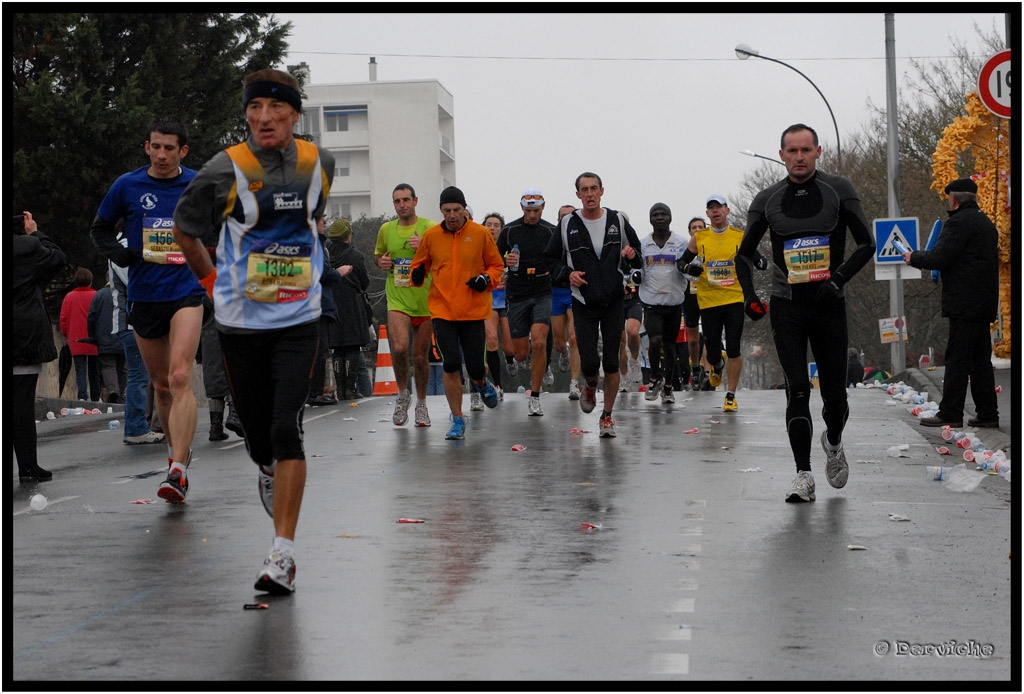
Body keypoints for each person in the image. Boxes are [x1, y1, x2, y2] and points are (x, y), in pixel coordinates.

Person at [174, 67, 335, 594]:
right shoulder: (226, 168)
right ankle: (267, 468)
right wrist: (212, 279)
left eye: (276, 109)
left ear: (294, 114)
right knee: (260, 437)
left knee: (288, 429)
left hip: (299, 320)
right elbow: (185, 227)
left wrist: (307, 258)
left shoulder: (320, 163)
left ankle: (282, 556)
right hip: (239, 323)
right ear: (246, 114)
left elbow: (316, 220)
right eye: (254, 109)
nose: (264, 118)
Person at [736, 123, 875, 503]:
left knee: (834, 397)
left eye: (805, 150)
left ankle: (832, 441)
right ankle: (803, 475)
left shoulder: (839, 190)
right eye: (792, 151)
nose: (799, 157)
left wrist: (839, 279)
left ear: (818, 152)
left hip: (829, 305)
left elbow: (867, 243)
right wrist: (750, 298)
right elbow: (743, 254)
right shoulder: (767, 199)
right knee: (797, 389)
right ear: (781, 155)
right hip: (788, 307)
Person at [90, 115, 204, 505]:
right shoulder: (128, 185)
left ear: (182, 151)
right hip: (145, 294)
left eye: (168, 148)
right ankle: (176, 457)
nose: (160, 154)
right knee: (160, 385)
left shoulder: (198, 184)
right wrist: (124, 255)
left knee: (178, 375)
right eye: (154, 146)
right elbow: (99, 229)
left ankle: (179, 470)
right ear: (146, 147)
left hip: (187, 291)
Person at [545, 172, 642, 438]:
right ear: (577, 195)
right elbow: (551, 261)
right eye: (584, 190)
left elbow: (638, 258)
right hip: (583, 301)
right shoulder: (567, 224)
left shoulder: (617, 220)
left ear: (602, 191)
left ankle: (607, 417)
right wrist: (568, 274)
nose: (590, 194)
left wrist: (632, 256)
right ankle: (589, 383)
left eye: (594, 189)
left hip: (613, 300)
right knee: (590, 362)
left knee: (611, 363)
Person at [901, 176, 999, 429]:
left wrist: (913, 257)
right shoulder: (986, 223)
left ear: (953, 200)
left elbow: (940, 256)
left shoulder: (958, 223)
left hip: (964, 303)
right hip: (984, 302)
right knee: (980, 361)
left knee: (957, 359)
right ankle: (988, 413)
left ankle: (951, 412)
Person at [409, 186, 503, 439]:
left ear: (464, 209)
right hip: (442, 311)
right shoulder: (431, 236)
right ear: (441, 211)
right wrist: (417, 274)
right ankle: (458, 419)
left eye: (456, 210)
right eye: (447, 210)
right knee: (450, 364)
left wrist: (486, 279)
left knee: (474, 367)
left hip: (472, 310)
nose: (451, 215)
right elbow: (419, 266)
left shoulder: (480, 234)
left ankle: (482, 383)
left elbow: (497, 266)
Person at [678, 194, 761, 412]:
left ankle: (731, 395)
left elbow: (752, 253)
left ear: (727, 210)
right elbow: (681, 262)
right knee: (713, 350)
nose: (715, 211)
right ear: (707, 214)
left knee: (734, 346)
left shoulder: (739, 235)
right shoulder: (700, 237)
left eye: (719, 207)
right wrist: (689, 269)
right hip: (709, 301)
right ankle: (717, 363)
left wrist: (760, 260)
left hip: (734, 297)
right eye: (711, 208)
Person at [374, 184, 435, 427]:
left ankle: (421, 404)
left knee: (420, 357)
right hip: (397, 297)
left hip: (425, 300)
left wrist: (423, 246)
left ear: (415, 201)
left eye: (406, 200)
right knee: (399, 348)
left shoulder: (429, 228)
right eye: (397, 201)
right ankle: (402, 395)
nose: (402, 205)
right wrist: (383, 262)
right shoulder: (386, 229)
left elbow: (443, 257)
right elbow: (379, 255)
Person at [12, 211, 66, 483]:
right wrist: (35, 232)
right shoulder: (27, 247)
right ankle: (28, 466)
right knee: (21, 404)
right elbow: (57, 257)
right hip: (22, 335)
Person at [496, 189, 557, 417]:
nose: (533, 215)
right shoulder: (510, 231)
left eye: (537, 211)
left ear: (543, 208)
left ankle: (535, 395)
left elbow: (560, 257)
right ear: (522, 208)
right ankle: (511, 356)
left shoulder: (551, 231)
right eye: (529, 211)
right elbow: (493, 258)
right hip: (517, 292)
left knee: (539, 343)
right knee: (522, 354)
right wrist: (505, 260)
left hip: (542, 290)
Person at [110, 253, 166, 445]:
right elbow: (136, 281)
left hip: (129, 323)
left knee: (139, 376)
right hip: (131, 323)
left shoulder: (120, 247)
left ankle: (136, 426)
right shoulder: (122, 249)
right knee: (138, 376)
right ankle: (136, 428)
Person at [637, 202, 689, 405]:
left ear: (670, 218)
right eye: (655, 215)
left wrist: (692, 271)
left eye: (663, 214)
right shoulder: (643, 245)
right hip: (651, 302)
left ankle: (668, 387)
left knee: (669, 346)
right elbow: (638, 270)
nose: (659, 218)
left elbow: (687, 267)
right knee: (655, 340)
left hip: (674, 302)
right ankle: (654, 378)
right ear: (650, 219)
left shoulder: (681, 243)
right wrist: (635, 274)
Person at [324, 218, 371, 401]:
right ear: (347, 236)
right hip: (352, 304)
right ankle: (350, 388)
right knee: (352, 346)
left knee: (337, 348)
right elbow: (364, 281)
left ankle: (340, 388)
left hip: (332, 304)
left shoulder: (326, 254)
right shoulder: (355, 255)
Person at [482, 212, 512, 404]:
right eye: (489, 225)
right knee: (492, 341)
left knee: (510, 347)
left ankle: (510, 359)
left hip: (508, 302)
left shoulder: (509, 250)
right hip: (488, 302)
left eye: (496, 225)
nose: (492, 228)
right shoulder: (479, 249)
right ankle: (499, 386)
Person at [553, 204, 582, 401]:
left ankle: (574, 383)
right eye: (562, 217)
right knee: (559, 342)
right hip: (555, 291)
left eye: (570, 216)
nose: (566, 220)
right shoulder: (552, 239)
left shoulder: (581, 238)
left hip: (575, 292)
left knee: (574, 338)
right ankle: (562, 354)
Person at [60, 267, 100, 402]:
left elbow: (63, 319)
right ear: (90, 280)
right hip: (94, 338)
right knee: (94, 369)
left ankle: (82, 396)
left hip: (75, 337)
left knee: (80, 369)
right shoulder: (96, 295)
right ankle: (96, 396)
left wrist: (67, 334)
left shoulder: (69, 297)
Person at [86, 281, 127, 403]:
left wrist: (92, 336)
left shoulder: (99, 295)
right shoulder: (124, 292)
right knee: (123, 367)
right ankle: (123, 393)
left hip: (104, 337)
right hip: (122, 334)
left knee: (108, 366)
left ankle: (113, 391)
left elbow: (91, 316)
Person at [681, 216, 707, 390]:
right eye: (694, 227)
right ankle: (696, 368)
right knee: (693, 339)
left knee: (711, 335)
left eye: (700, 227)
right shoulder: (686, 249)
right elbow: (677, 266)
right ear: (689, 231)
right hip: (690, 295)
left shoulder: (711, 246)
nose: (697, 230)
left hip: (710, 294)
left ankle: (708, 371)